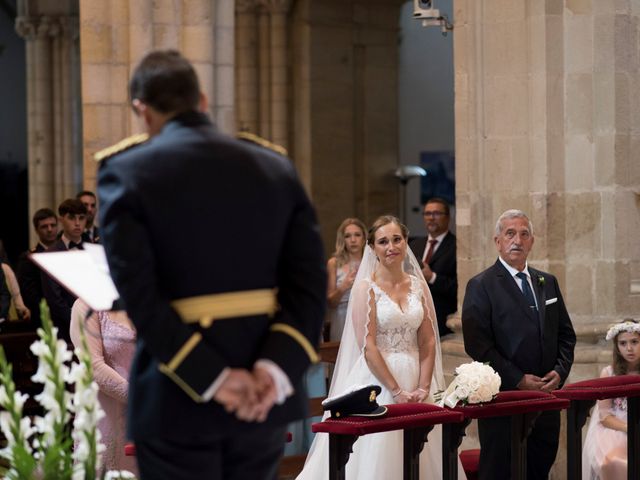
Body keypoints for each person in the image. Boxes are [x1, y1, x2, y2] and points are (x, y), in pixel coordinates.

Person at [96, 49, 326, 480]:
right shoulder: (273, 166)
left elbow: (141, 300)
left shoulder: (125, 172)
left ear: (141, 111)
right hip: (262, 401)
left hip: (175, 397)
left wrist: (216, 379)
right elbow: (310, 286)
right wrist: (271, 372)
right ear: (202, 101)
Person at [298, 215, 461, 479]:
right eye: (383, 241)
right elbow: (368, 346)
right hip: (378, 381)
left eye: (397, 239)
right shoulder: (366, 288)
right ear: (372, 248)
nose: (391, 247)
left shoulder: (418, 286)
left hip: (417, 378)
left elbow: (428, 340)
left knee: (427, 454)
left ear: (406, 241)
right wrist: (395, 390)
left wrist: (423, 386)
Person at [461, 209, 576, 480]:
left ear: (532, 241)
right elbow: (477, 345)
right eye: (510, 233)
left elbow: (566, 335)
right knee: (501, 470)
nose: (517, 240)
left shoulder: (547, 282)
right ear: (497, 241)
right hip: (504, 399)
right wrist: (517, 379)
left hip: (545, 397)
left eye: (524, 234)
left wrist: (559, 372)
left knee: (539, 468)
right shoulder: (481, 285)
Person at [70, 299, 138, 477]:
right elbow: (94, 367)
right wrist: (142, 399)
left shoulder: (147, 297)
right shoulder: (86, 306)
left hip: (153, 413)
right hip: (107, 412)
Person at [582, 319, 640, 480]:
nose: (629, 348)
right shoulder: (609, 373)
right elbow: (605, 416)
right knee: (613, 461)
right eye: (623, 343)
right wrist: (630, 429)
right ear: (617, 347)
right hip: (616, 429)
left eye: (634, 342)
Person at [41, 199, 88, 342]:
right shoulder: (51, 254)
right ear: (61, 219)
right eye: (72, 218)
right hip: (64, 328)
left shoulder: (94, 249)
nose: (77, 223)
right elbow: (54, 299)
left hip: (95, 327)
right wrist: (78, 323)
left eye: (81, 218)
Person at [409, 197, 457, 336]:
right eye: (427, 214)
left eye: (436, 214)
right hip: (413, 319)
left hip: (441, 321)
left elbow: (459, 288)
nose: (431, 218)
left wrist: (432, 277)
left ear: (448, 217)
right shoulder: (414, 245)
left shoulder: (457, 247)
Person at [16, 208, 58, 327]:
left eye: (53, 225)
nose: (50, 229)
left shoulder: (64, 253)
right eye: (44, 226)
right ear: (36, 230)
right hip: (42, 317)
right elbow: (29, 293)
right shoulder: (29, 258)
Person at [326, 218, 366, 341]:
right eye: (348, 236)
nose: (353, 240)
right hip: (341, 318)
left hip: (366, 317)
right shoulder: (334, 263)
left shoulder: (372, 261)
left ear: (364, 238)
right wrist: (343, 286)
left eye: (357, 235)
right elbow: (330, 302)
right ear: (342, 239)